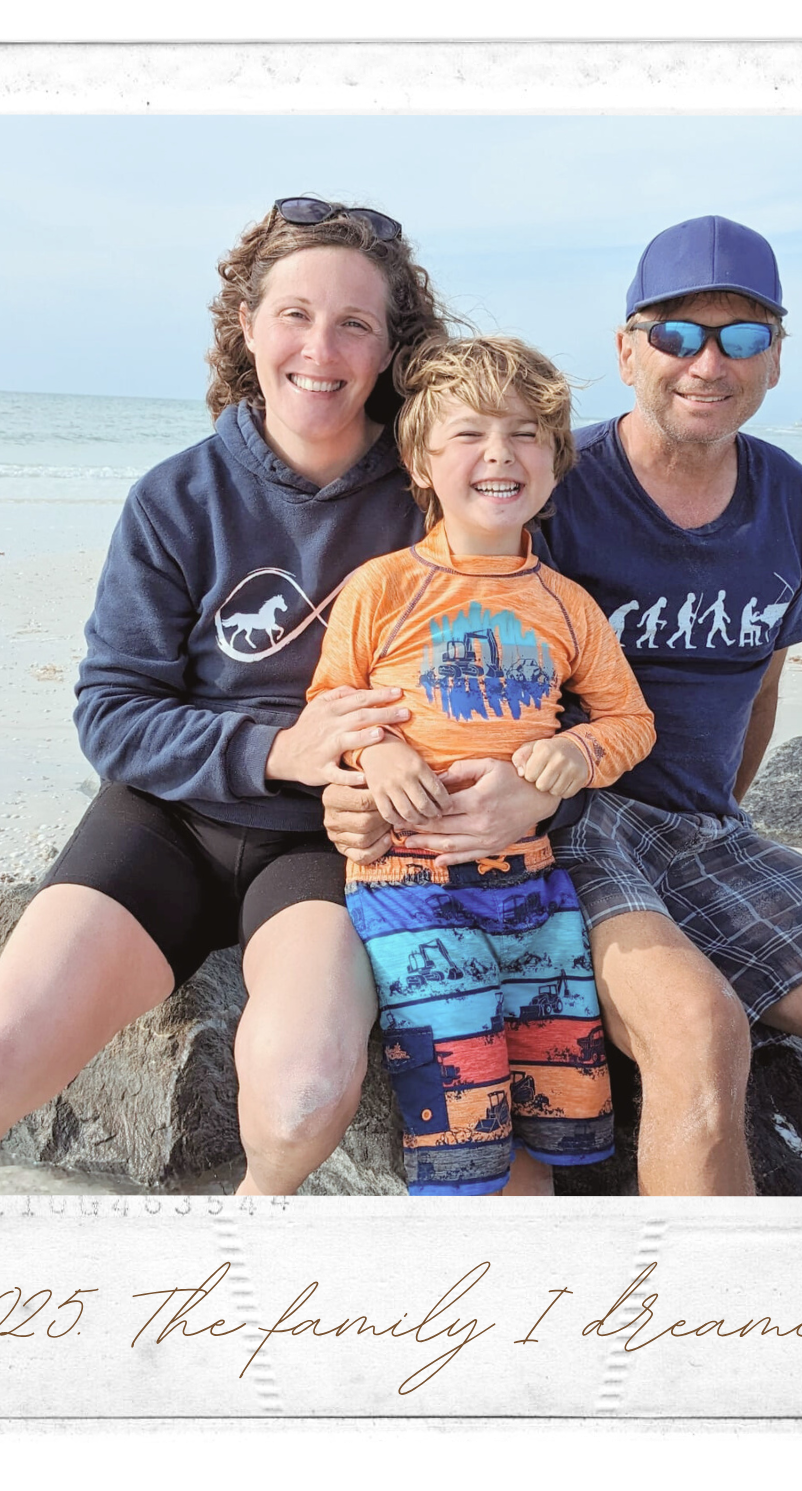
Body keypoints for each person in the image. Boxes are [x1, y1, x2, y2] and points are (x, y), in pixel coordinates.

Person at [324, 216, 802, 1197]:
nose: (707, 362)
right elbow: (407, 646)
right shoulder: (547, 480)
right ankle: (700, 1295)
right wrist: (374, 789)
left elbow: (764, 686)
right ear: (628, 349)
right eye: (676, 333)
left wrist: (728, 818)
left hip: (711, 835)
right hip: (571, 829)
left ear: (776, 357)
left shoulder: (796, 501)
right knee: (699, 1029)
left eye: (744, 335)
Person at [0, 197, 477, 1196]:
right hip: (164, 823)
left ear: (393, 347)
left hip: (329, 845)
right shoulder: (176, 498)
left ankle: (225, 1267)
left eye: (354, 323)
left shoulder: (435, 499)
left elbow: (508, 672)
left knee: (303, 1099)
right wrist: (277, 748)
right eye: (295, 314)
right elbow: (112, 711)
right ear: (248, 327)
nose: (321, 349)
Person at [306, 336, 655, 1195]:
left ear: (556, 462)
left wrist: (574, 751)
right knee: (460, 1118)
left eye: (526, 434)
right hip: (409, 890)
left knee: (558, 1108)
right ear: (422, 464)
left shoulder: (568, 605)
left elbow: (631, 722)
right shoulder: (382, 588)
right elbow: (327, 705)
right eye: (468, 434)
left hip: (536, 890)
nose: (500, 453)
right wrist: (377, 749)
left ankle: (532, 1252)